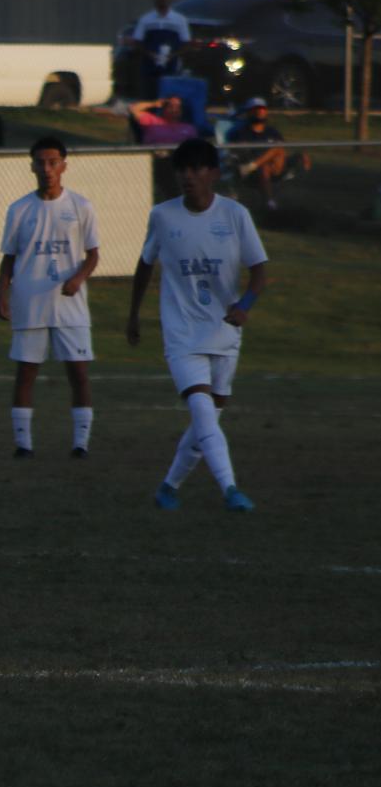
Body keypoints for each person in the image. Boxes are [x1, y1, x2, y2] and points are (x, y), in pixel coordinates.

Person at [127, 137, 270, 512]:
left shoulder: (235, 215)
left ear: (213, 173)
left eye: (195, 169)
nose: (187, 177)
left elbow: (260, 271)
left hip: (225, 330)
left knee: (207, 419)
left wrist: (245, 305)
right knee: (204, 412)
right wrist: (134, 314)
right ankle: (231, 490)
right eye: (181, 170)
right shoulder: (162, 215)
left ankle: (168, 487)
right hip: (182, 333)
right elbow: (144, 265)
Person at [0, 137, 100, 459]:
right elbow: (8, 259)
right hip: (30, 302)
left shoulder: (81, 207)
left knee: (78, 374)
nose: (47, 168)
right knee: (26, 373)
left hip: (70, 306)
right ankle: (23, 445)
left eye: (53, 162)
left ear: (64, 165)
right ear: (32, 166)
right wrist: (2, 296)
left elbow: (93, 255)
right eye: (40, 162)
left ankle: (80, 444)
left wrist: (79, 277)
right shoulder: (19, 209)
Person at [228, 97, 307, 211]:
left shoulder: (272, 132)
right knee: (265, 165)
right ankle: (269, 202)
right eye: (255, 109)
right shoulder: (241, 133)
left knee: (280, 148)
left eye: (262, 108)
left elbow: (282, 153)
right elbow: (236, 153)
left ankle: (272, 199)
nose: (260, 111)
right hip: (253, 173)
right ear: (249, 112)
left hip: (272, 167)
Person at [128, 0, 192, 97]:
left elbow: (187, 44)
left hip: (171, 69)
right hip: (150, 70)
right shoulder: (146, 19)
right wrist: (150, 54)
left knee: (168, 98)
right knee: (150, 97)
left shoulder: (179, 20)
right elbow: (137, 42)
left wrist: (172, 55)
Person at [121, 95, 200, 146]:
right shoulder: (152, 121)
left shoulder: (188, 128)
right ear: (164, 108)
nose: (174, 109)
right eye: (170, 106)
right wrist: (154, 104)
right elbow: (133, 109)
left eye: (178, 107)